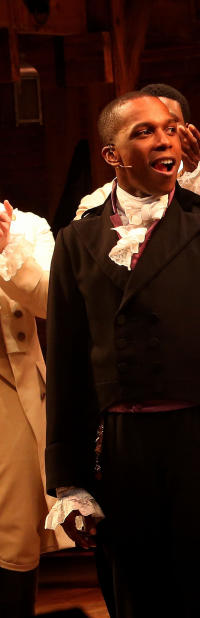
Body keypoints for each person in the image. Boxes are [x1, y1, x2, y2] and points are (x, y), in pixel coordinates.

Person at [43, 92, 200, 617]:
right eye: (145, 131)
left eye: (171, 129)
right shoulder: (77, 240)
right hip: (119, 452)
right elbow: (66, 364)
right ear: (112, 155)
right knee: (136, 597)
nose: (165, 140)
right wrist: (69, 479)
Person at [78, 83, 200, 255]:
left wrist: (196, 181)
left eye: (170, 126)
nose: (161, 139)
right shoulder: (97, 202)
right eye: (147, 130)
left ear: (188, 131)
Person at [0, 199, 68, 617]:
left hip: (13, 398)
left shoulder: (26, 227)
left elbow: (54, 301)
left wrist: (7, 251)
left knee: (14, 539)